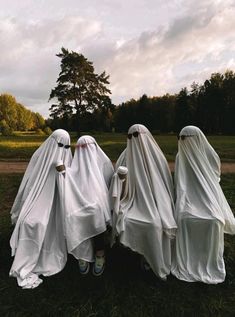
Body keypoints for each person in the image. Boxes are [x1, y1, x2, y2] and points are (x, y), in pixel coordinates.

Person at [110, 124, 177, 280]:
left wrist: (162, 202)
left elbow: (165, 183)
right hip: (131, 200)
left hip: (156, 201)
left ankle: (151, 256)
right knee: (130, 219)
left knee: (155, 223)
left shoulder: (156, 157)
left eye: (138, 135)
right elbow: (117, 183)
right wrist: (120, 179)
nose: (135, 139)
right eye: (131, 136)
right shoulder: (125, 157)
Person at [171, 125, 235, 284]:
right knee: (184, 218)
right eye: (181, 138)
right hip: (188, 198)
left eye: (186, 138)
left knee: (214, 219)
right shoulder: (181, 157)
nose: (183, 142)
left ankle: (209, 257)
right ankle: (188, 259)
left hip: (208, 196)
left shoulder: (209, 155)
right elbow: (180, 182)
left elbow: (215, 177)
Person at [9, 129, 72, 289]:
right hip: (37, 200)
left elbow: (70, 185)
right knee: (33, 223)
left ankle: (49, 253)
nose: (62, 150)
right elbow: (29, 183)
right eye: (59, 145)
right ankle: (29, 257)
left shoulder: (67, 159)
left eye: (66, 146)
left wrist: (64, 173)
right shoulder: (40, 157)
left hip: (59, 204)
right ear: (51, 142)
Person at [56, 135, 114, 276]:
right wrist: (64, 172)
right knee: (75, 215)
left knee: (96, 213)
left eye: (87, 147)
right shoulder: (75, 167)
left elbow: (110, 182)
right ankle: (82, 254)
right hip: (79, 202)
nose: (85, 151)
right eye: (81, 148)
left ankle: (100, 253)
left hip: (99, 203)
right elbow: (71, 177)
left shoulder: (104, 162)